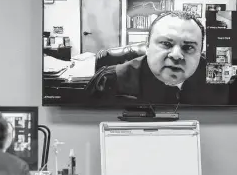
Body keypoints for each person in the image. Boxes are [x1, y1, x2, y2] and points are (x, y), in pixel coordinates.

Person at [86, 11, 230, 105]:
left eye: (188, 47)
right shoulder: (111, 80)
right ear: (147, 46)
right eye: (166, 44)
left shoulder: (224, 82)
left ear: (201, 53)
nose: (176, 55)